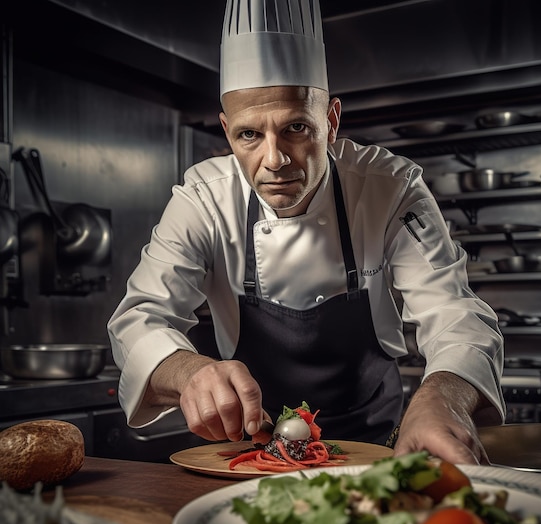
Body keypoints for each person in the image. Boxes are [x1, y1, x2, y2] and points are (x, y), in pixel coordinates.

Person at [107, 0, 505, 465]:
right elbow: (141, 317)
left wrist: (442, 397)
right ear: (226, 130)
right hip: (243, 449)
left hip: (373, 447)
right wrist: (187, 369)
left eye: (296, 127)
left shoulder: (391, 189)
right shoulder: (203, 199)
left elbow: (455, 312)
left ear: (331, 121)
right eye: (249, 135)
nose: (274, 160)